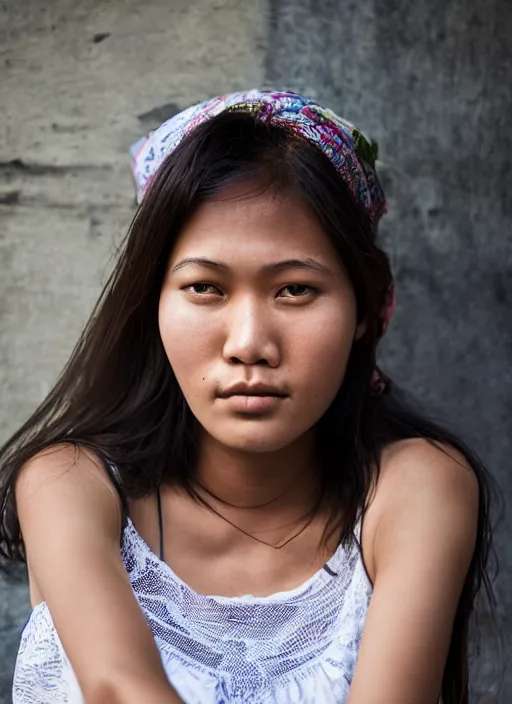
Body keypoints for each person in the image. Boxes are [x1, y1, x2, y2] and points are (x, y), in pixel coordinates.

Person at [0, 90, 494, 704]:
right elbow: (120, 688)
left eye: (294, 290)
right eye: (205, 287)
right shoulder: (69, 484)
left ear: (366, 307)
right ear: (152, 301)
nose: (249, 344)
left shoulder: (414, 487)